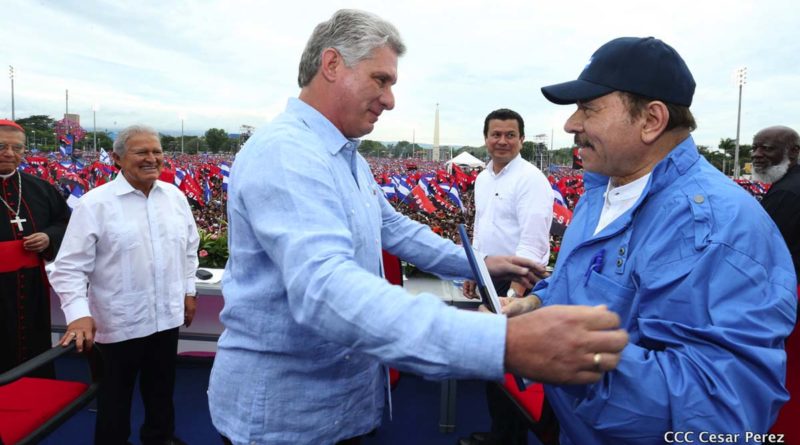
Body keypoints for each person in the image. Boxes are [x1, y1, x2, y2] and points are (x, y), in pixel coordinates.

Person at [208, 9, 627, 445]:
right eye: (381, 80)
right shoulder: (287, 153)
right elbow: (324, 291)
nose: (389, 100)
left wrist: (480, 264)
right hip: (286, 419)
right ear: (331, 65)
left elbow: (393, 227)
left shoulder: (343, 155)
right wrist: (503, 342)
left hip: (337, 406)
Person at [497, 36, 797, 444]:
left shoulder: (711, 230)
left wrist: (559, 354)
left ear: (651, 120)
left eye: (589, 108)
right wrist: (533, 304)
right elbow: (579, 282)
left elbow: (718, 413)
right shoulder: (603, 188)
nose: (571, 125)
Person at [49, 125, 200, 445]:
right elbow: (68, 267)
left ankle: (159, 439)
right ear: (117, 158)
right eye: (141, 152)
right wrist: (77, 313)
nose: (152, 158)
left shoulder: (175, 198)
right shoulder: (94, 204)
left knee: (162, 392)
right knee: (115, 400)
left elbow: (189, 249)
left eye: (157, 151)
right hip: (118, 323)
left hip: (167, 318)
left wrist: (189, 292)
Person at [461, 109, 554, 445]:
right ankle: (499, 434)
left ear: (522, 140)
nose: (502, 141)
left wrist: (513, 297)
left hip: (516, 286)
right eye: (495, 134)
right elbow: (482, 232)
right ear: (485, 138)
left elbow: (533, 246)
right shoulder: (483, 178)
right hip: (490, 278)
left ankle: (509, 440)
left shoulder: (531, 180)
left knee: (512, 369)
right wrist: (473, 269)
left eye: (509, 135)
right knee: (493, 365)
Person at [0, 119, 70, 377]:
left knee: (33, 345)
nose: (9, 153)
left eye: (17, 148)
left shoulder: (40, 188)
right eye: (1, 146)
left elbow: (65, 222)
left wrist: (48, 237)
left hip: (31, 289)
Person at [751, 125, 800, 443]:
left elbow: (764, 256)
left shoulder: (786, 192)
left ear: (793, 152)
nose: (757, 154)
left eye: (767, 148)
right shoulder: (788, 185)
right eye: (755, 147)